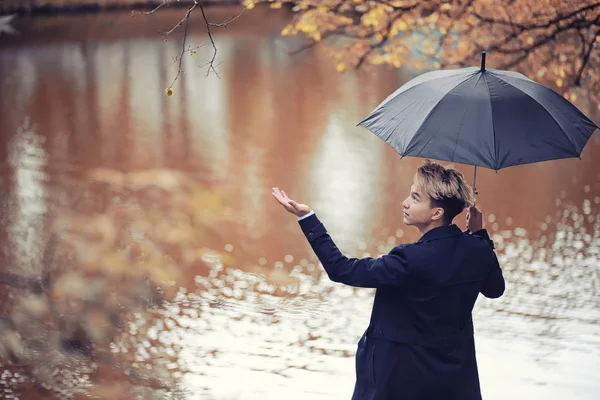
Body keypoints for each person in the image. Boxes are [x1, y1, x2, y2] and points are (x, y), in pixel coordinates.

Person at [271, 159, 505, 400]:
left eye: (415, 198)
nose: (405, 203)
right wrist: (480, 235)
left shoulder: (409, 259)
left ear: (437, 212)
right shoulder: (477, 250)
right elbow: (495, 289)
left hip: (400, 381)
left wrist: (307, 218)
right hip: (453, 382)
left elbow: (341, 269)